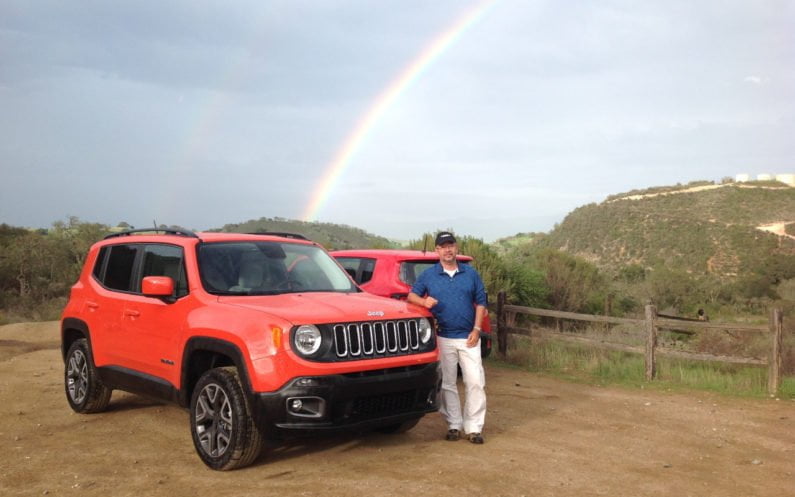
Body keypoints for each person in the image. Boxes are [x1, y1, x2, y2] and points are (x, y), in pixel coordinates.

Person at [407, 231, 488, 444]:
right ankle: (454, 424)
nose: (448, 250)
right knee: (448, 383)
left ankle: (474, 427)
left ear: (456, 247)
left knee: (475, 382)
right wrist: (423, 303)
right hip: (442, 336)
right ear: (437, 251)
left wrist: (477, 329)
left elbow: (481, 302)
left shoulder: (470, 274)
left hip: (469, 337)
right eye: (443, 246)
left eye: (450, 245)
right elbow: (411, 295)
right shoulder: (429, 274)